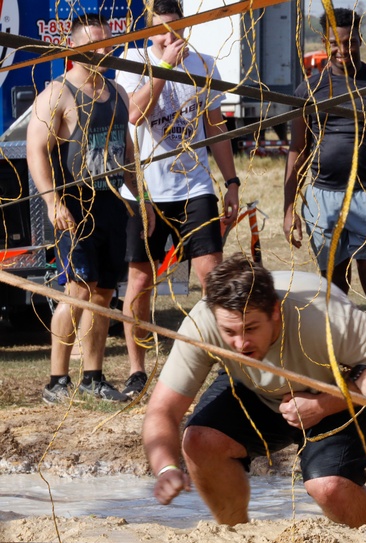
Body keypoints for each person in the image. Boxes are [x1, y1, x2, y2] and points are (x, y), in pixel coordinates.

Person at [142, 254, 366, 527]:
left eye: (251, 328)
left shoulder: (329, 318)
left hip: (336, 387)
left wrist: (324, 403)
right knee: (199, 442)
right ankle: (237, 539)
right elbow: (162, 409)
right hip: (255, 386)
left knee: (329, 487)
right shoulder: (203, 323)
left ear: (275, 311)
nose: (240, 344)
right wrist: (166, 469)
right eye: (230, 332)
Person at [117, 0, 241, 400]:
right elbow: (135, 115)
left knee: (212, 276)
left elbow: (214, 124)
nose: (170, 37)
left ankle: (224, 360)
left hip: (196, 187)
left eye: (176, 28)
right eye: (161, 30)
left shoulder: (205, 64)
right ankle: (137, 369)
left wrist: (232, 182)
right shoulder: (132, 58)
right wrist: (165, 67)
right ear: (148, 30)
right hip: (146, 190)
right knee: (140, 280)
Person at [26, 13, 147, 404]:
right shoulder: (57, 94)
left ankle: (93, 377)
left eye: (107, 43)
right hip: (73, 206)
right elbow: (35, 153)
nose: (104, 51)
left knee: (103, 294)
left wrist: (141, 199)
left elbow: (126, 153)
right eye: (95, 45)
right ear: (75, 49)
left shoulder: (118, 92)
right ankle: (56, 381)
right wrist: (51, 201)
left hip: (111, 203)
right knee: (77, 289)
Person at [283, 7, 366, 308]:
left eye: (350, 41)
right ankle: (342, 347)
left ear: (359, 39)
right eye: (335, 42)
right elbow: (297, 151)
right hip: (322, 199)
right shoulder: (308, 90)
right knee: (333, 285)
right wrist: (289, 209)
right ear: (325, 43)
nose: (343, 49)